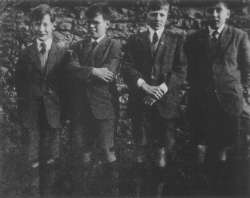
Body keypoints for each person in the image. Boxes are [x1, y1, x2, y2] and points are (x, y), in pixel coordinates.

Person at [122, 0, 187, 195]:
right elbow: (127, 66)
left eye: (161, 14)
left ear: (167, 16)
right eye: (153, 14)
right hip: (141, 103)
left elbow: (181, 69)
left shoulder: (177, 39)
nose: (157, 18)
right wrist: (144, 86)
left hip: (165, 104)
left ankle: (159, 192)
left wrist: (162, 89)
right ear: (146, 15)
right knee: (140, 149)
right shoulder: (135, 39)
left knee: (161, 150)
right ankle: (139, 192)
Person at [185, 0, 250, 194]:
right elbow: (189, 70)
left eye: (218, 10)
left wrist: (242, 93)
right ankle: (202, 189)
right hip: (201, 102)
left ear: (227, 13)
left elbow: (246, 69)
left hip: (229, 102)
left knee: (226, 147)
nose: (214, 14)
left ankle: (224, 189)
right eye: (210, 10)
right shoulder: (194, 38)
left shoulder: (239, 36)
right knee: (201, 146)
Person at [65, 3, 121, 195]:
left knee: (108, 152)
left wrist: (84, 72)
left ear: (107, 23)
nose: (91, 26)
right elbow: (70, 69)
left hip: (104, 108)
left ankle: (111, 193)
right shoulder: (77, 46)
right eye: (88, 23)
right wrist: (94, 71)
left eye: (95, 22)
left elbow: (109, 73)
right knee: (82, 154)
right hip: (81, 109)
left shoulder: (114, 45)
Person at [14, 4, 66, 196]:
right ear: (32, 26)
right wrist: (24, 114)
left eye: (45, 24)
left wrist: (63, 114)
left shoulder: (63, 53)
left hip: (54, 116)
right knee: (31, 159)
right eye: (37, 25)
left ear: (53, 24)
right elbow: (20, 84)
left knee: (52, 159)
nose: (41, 29)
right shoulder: (25, 53)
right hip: (31, 117)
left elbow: (67, 86)